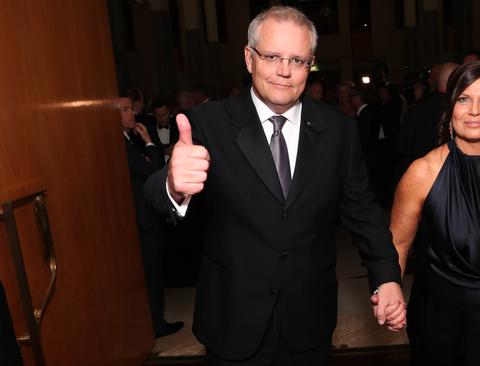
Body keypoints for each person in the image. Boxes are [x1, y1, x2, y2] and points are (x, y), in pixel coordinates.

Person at [143, 6, 406, 365]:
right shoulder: (208, 123)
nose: (284, 71)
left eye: (298, 60)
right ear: (249, 58)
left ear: (310, 64)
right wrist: (172, 185)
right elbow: (153, 196)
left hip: (309, 320)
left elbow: (362, 210)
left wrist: (386, 276)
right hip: (233, 319)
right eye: (272, 57)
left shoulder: (338, 130)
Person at [390, 61, 480, 365]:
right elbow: (399, 244)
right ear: (450, 109)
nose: (474, 110)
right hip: (446, 319)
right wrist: (391, 292)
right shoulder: (423, 173)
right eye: (463, 99)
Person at [119, 96, 183, 338]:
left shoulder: (128, 138)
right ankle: (157, 325)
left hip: (144, 217)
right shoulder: (125, 142)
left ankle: (155, 321)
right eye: (125, 109)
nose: (132, 113)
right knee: (152, 275)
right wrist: (149, 142)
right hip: (142, 220)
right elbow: (151, 169)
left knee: (153, 273)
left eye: (131, 108)